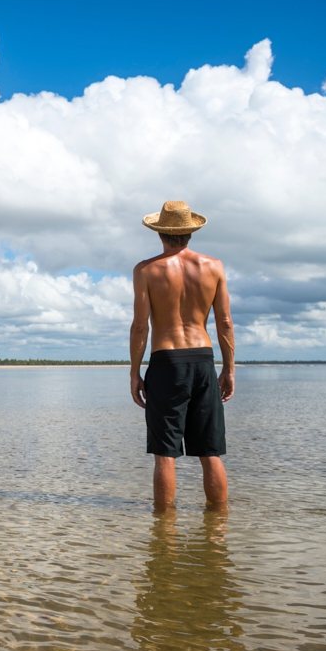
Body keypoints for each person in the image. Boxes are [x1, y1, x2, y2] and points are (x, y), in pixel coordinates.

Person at [130, 201, 235, 508]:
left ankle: (164, 536)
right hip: (203, 360)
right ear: (190, 232)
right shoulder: (213, 266)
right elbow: (225, 322)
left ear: (160, 233)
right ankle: (217, 532)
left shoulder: (146, 270)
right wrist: (229, 369)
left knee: (165, 454)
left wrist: (135, 372)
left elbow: (140, 326)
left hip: (166, 362)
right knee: (209, 451)